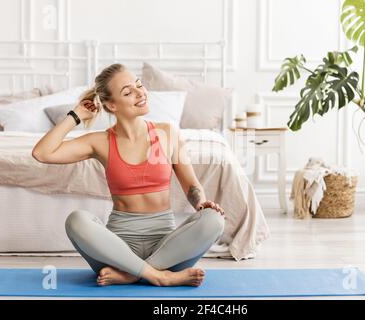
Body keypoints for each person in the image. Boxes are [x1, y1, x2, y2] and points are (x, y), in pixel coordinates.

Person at [32, 63, 225, 287]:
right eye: (128, 92)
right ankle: (158, 276)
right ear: (111, 105)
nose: (140, 93)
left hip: (167, 247)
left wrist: (201, 203)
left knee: (214, 219)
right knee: (76, 221)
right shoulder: (100, 142)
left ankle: (133, 274)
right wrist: (76, 115)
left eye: (139, 85)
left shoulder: (167, 133)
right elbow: (42, 153)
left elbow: (192, 186)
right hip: (117, 250)